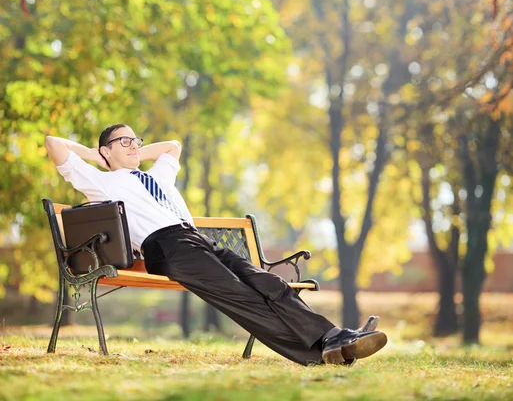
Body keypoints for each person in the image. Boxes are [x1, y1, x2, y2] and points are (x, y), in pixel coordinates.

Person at [45, 123, 387, 366]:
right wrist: (95, 154)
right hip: (167, 247)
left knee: (270, 282)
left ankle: (334, 339)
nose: (135, 145)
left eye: (137, 139)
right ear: (105, 151)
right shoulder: (102, 183)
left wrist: (127, 148)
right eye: (125, 141)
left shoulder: (157, 176)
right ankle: (316, 352)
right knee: (241, 296)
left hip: (198, 241)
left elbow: (172, 146)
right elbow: (53, 144)